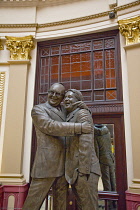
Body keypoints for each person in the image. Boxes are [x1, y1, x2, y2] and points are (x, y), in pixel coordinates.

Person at [22, 83, 92, 210]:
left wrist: (84, 107)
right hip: (46, 165)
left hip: (65, 166)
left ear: (63, 97)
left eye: (58, 94)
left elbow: (76, 111)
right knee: (33, 203)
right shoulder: (39, 109)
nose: (53, 96)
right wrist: (80, 127)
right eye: (51, 92)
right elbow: (50, 126)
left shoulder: (65, 109)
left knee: (60, 204)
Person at [64, 89, 101, 210]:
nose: (66, 99)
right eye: (65, 97)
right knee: (82, 204)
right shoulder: (71, 114)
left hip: (86, 170)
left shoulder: (82, 114)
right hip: (77, 170)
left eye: (70, 97)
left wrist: (83, 171)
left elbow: (86, 143)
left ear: (77, 101)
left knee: (88, 206)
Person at [94, 124, 116, 192]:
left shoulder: (95, 135)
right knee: (112, 178)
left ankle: (109, 200)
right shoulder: (107, 132)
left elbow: (96, 149)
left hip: (102, 159)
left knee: (106, 179)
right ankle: (114, 199)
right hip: (110, 157)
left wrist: (96, 162)